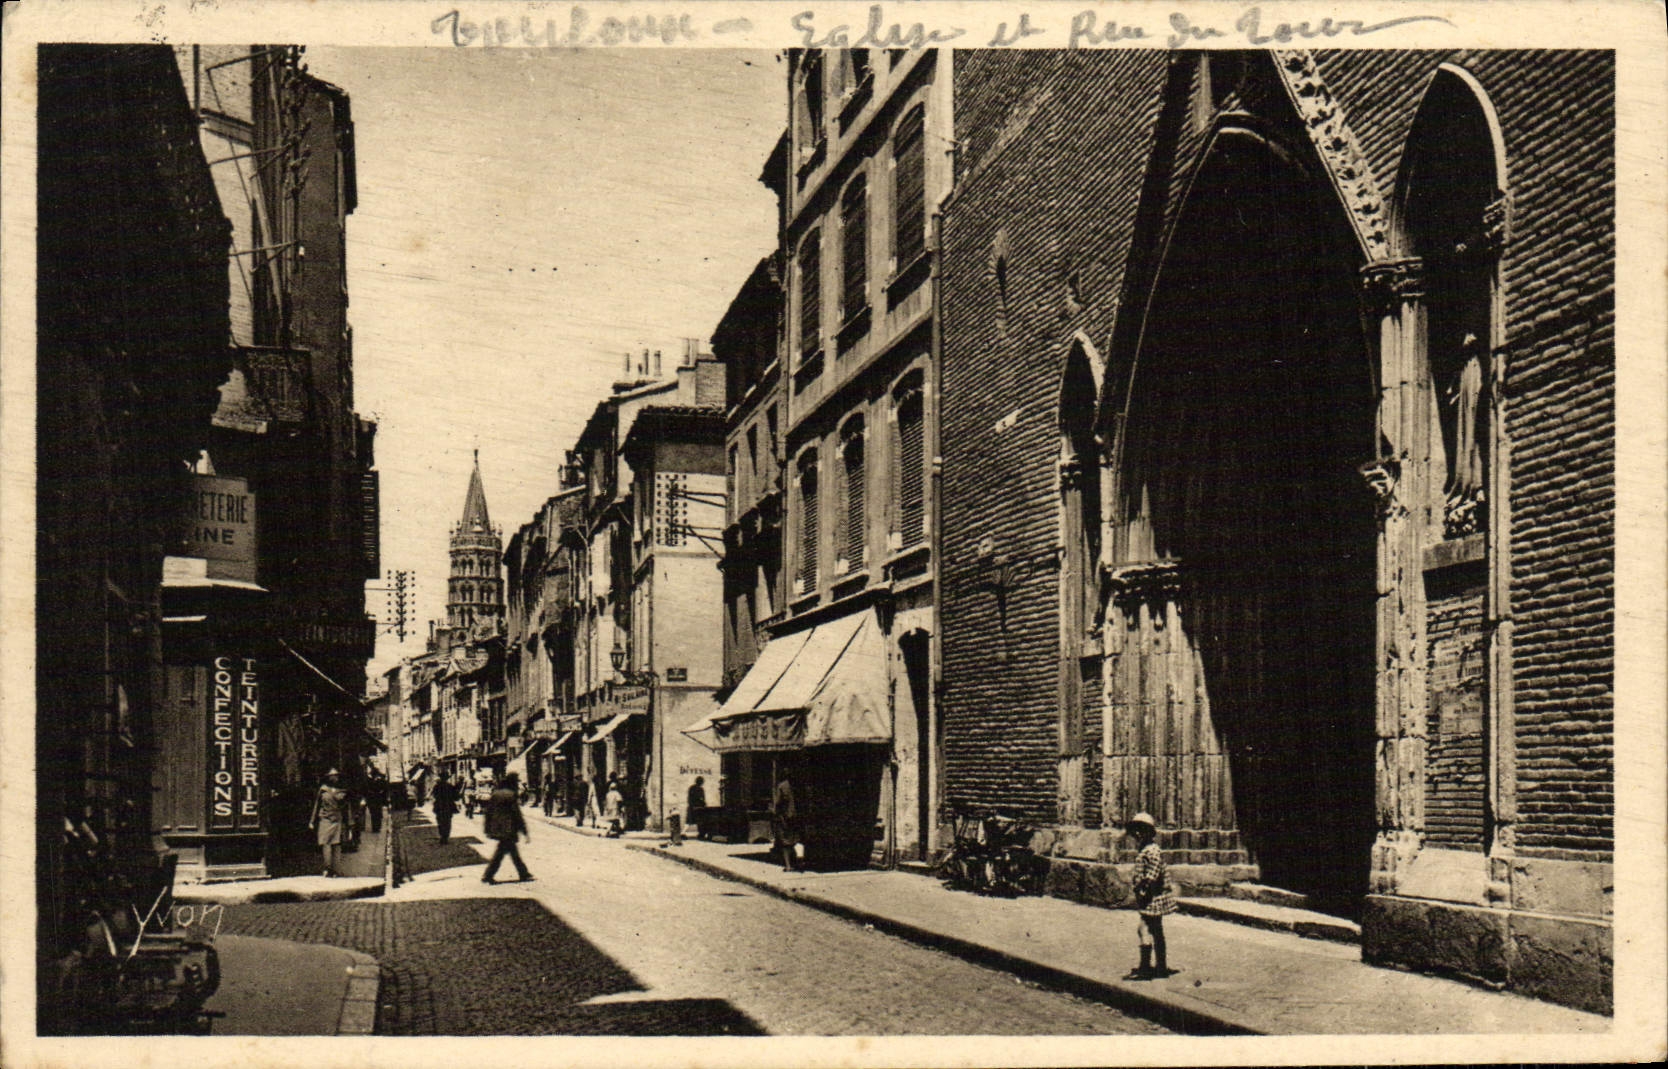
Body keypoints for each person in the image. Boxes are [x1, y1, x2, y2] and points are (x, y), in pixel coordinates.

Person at [1125, 812, 1176, 980]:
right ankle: (1160, 966)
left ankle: (1146, 967)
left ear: (1148, 832)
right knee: (1156, 931)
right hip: (1150, 896)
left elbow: (1152, 874)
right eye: (1136, 830)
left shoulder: (1152, 850)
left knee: (1144, 929)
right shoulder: (1146, 849)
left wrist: (1143, 888)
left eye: (1141, 830)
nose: (1137, 834)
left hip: (1152, 897)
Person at [481, 773, 533, 884]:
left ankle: (523, 873)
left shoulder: (495, 794)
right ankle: (488, 875)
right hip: (508, 829)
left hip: (498, 828)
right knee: (502, 853)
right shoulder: (511, 795)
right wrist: (524, 831)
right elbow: (516, 814)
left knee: (510, 851)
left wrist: (487, 828)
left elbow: (488, 812)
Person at [309, 769, 349, 877]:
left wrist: (349, 823)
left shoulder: (342, 791)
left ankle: (336, 870)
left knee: (336, 845)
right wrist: (312, 821)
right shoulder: (322, 791)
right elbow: (317, 805)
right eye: (331, 776)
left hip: (337, 819)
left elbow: (345, 807)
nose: (333, 778)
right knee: (325, 843)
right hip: (325, 820)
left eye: (335, 776)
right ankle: (327, 868)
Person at [772, 769, 802, 873]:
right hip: (796, 816)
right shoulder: (798, 786)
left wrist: (776, 815)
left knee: (785, 842)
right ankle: (795, 862)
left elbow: (778, 803)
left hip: (785, 817)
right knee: (793, 840)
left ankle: (788, 865)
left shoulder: (782, 786)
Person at [431, 774, 460, 844]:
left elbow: (434, 795)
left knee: (440, 822)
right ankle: (445, 837)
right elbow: (456, 797)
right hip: (448, 806)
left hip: (440, 806)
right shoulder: (450, 786)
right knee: (447, 822)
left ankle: (442, 836)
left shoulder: (437, 786)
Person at [686, 776, 708, 841]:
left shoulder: (692, 788)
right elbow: (702, 799)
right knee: (696, 821)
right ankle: (701, 834)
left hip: (695, 807)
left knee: (693, 821)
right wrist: (703, 804)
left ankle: (701, 834)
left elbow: (690, 798)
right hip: (697, 807)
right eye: (701, 782)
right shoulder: (699, 789)